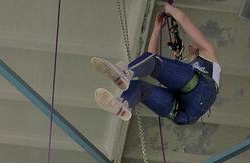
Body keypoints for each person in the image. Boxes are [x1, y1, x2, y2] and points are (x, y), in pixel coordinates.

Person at [92, 3, 220, 125]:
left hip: (201, 91)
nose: (191, 43)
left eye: (192, 43)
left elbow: (183, 19)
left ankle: (125, 73)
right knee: (139, 88)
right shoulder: (187, 69)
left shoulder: (208, 52)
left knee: (153, 63)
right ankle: (122, 105)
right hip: (183, 115)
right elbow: (149, 60)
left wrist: (169, 8)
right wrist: (157, 28)